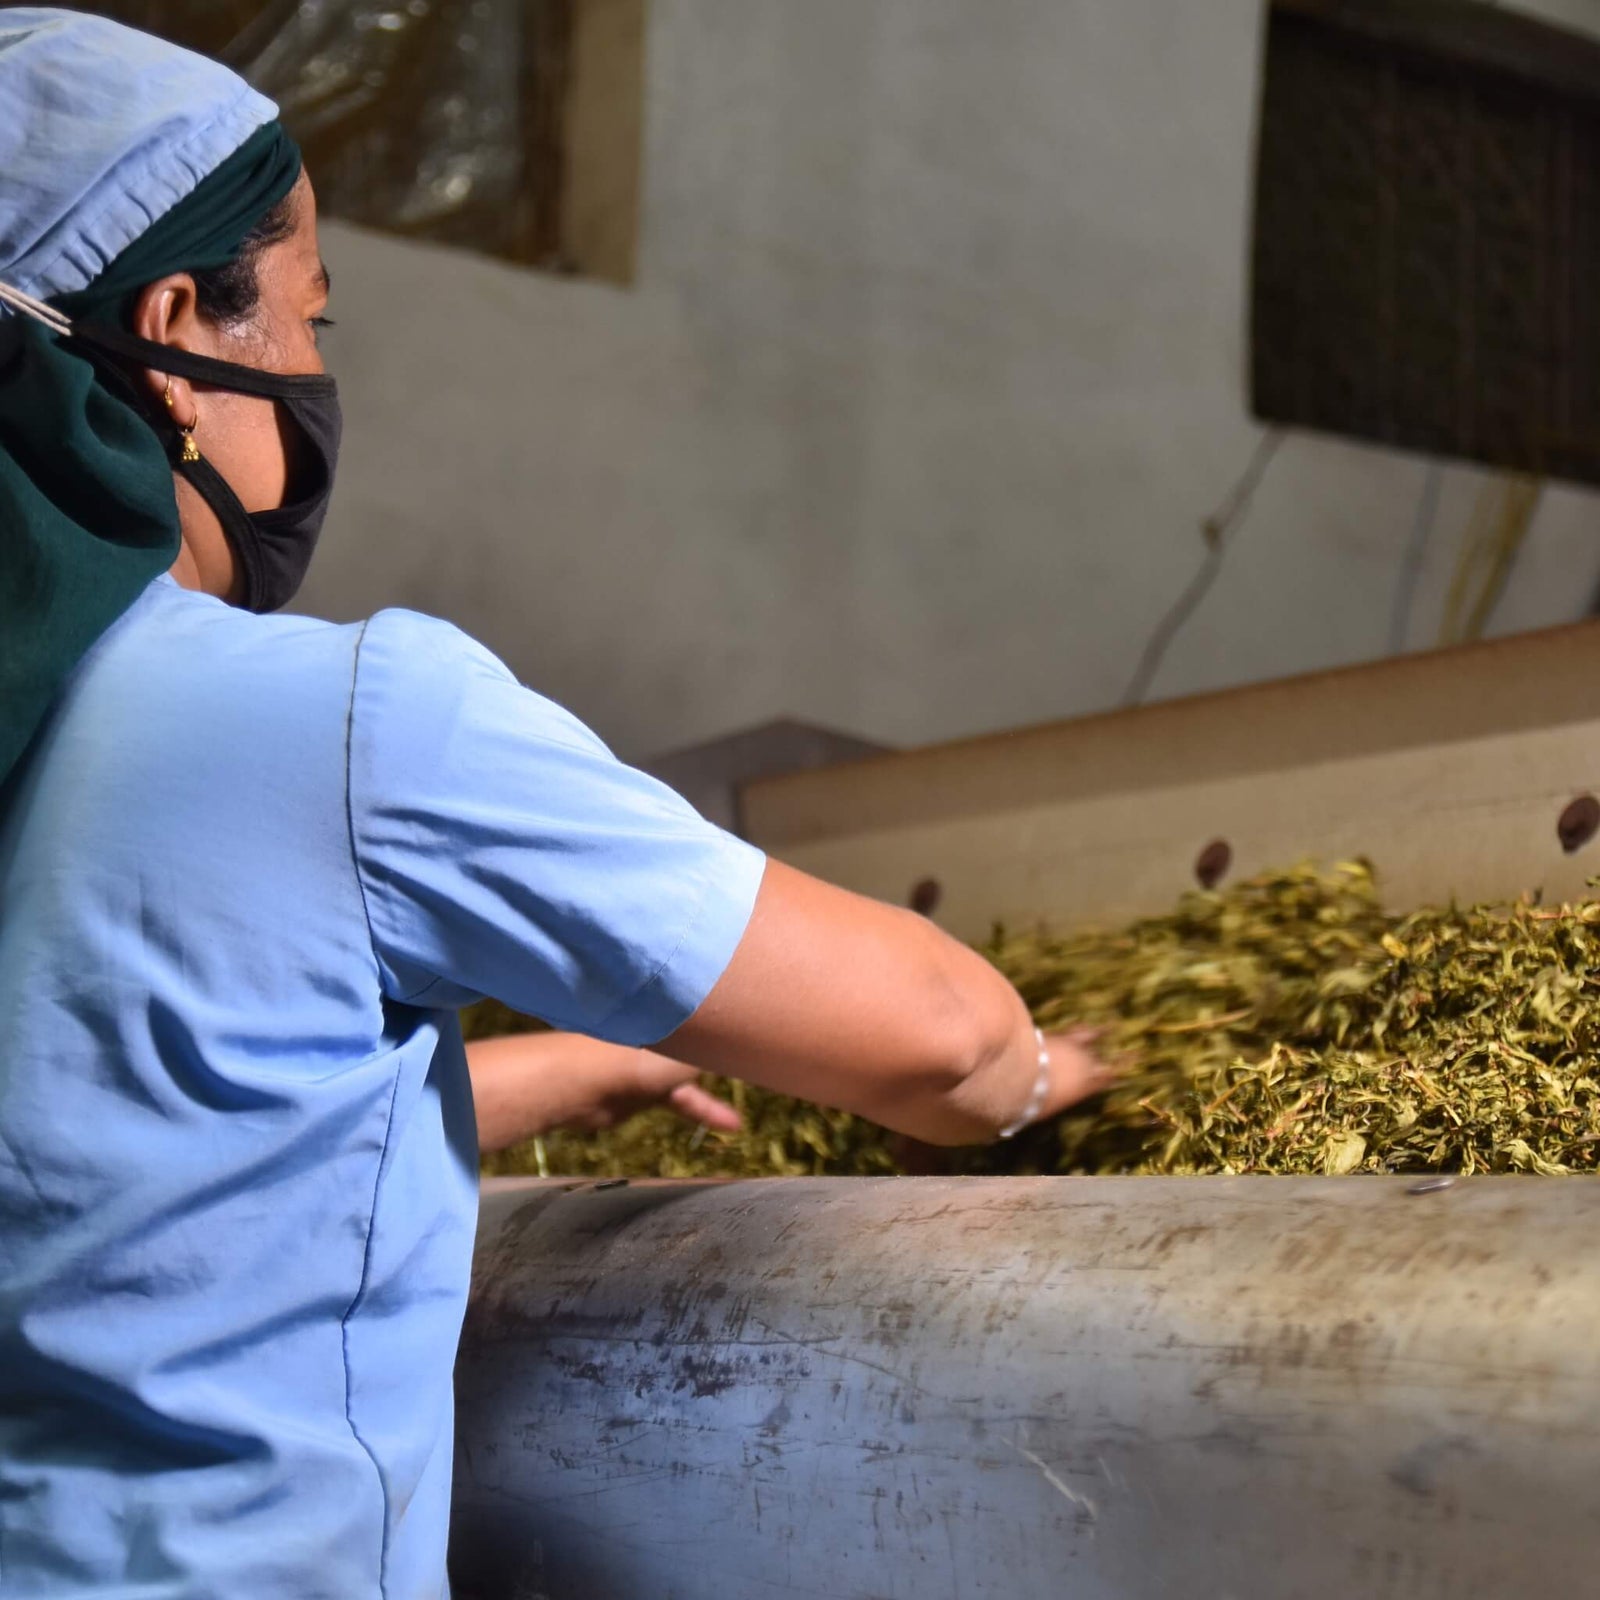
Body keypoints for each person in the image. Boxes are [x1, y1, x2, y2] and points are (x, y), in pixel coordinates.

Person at [0, 10, 1107, 1597]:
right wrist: (1038, 1076)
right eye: (308, 318)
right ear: (176, 328)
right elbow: (938, 1031)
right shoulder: (341, 720)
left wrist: (554, 1068)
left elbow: (128, 1131)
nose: (317, 376)